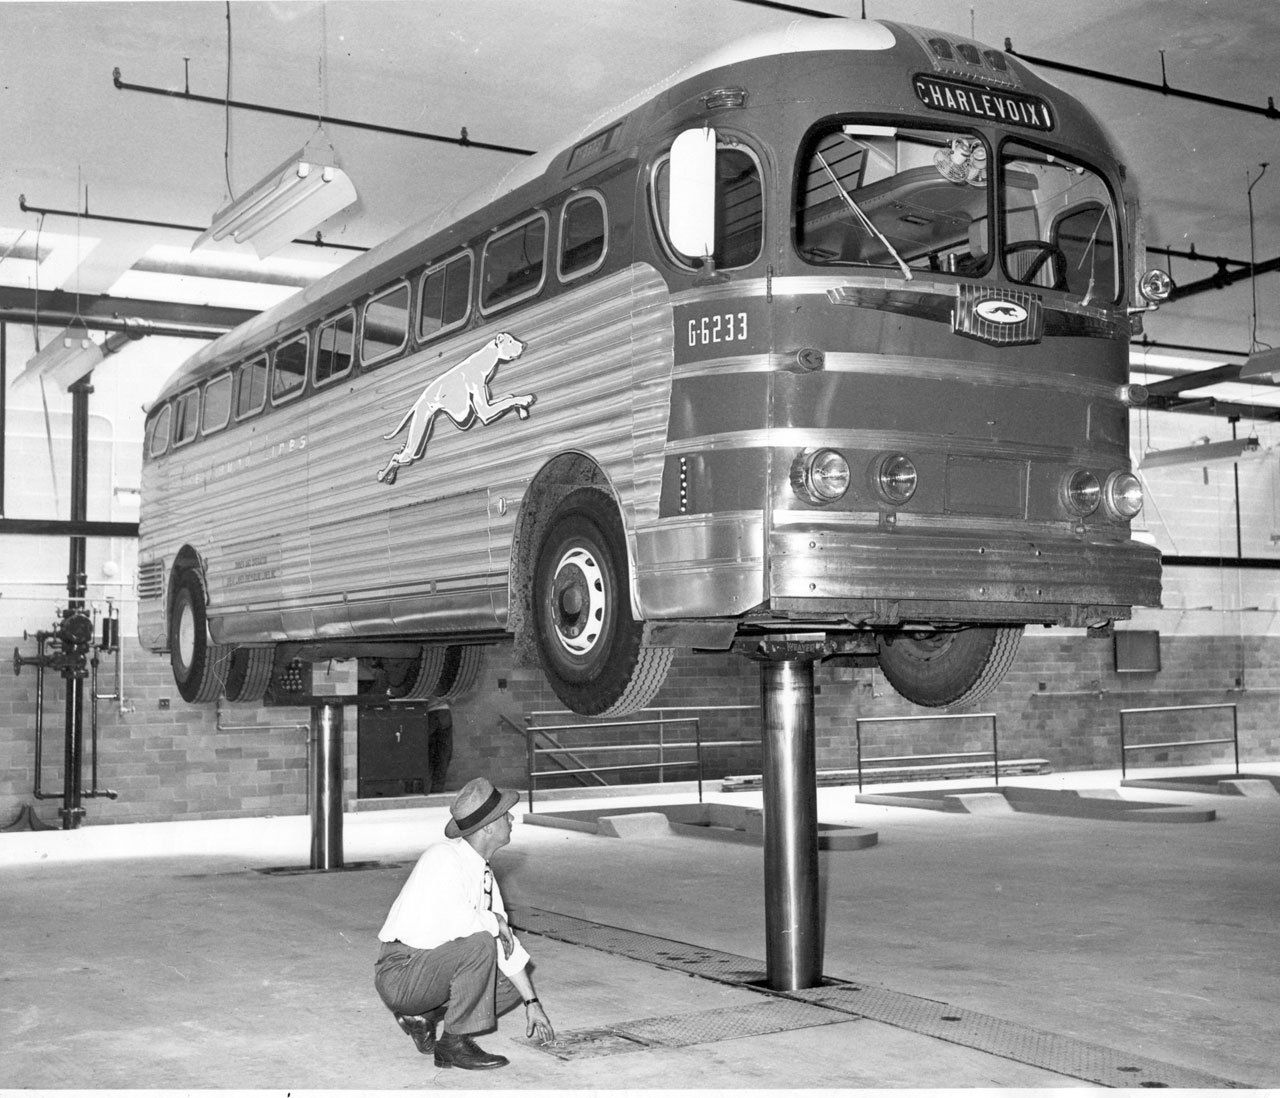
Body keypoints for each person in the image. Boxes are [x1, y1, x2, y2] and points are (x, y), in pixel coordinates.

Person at [373, 776, 555, 1070]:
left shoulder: (483, 873)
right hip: (403, 971)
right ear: (487, 828)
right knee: (481, 942)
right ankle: (453, 1045)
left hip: (429, 970)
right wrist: (495, 920)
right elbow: (457, 923)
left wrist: (532, 1004)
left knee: (510, 980)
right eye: (505, 814)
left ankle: (427, 1016)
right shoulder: (442, 857)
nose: (511, 818)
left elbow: (506, 946)